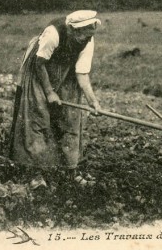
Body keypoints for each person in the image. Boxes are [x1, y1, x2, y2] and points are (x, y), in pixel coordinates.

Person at [9, 10, 102, 189]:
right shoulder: (53, 33)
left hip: (66, 70)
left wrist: (93, 102)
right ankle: (35, 174)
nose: (85, 40)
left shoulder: (87, 40)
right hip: (40, 68)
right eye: (82, 36)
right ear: (72, 30)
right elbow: (39, 64)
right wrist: (50, 92)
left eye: (89, 36)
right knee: (38, 116)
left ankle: (70, 171)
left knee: (71, 117)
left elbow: (82, 73)